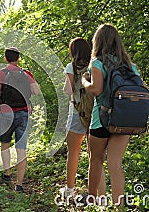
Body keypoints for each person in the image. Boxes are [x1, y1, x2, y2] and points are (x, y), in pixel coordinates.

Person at [82, 24, 142, 206]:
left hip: (101, 119)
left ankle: (94, 200)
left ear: (97, 42)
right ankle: (119, 205)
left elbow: (97, 89)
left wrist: (85, 81)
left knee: (96, 160)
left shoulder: (97, 63)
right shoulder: (131, 67)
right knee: (115, 163)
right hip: (124, 120)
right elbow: (143, 91)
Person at [61, 37, 106, 201]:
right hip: (97, 113)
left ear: (73, 51)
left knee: (73, 152)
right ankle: (101, 195)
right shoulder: (95, 64)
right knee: (95, 156)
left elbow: (68, 90)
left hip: (77, 113)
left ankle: (70, 189)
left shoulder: (71, 66)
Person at [0, 47, 40, 192]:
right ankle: (19, 184)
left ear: (5, 58)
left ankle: (7, 174)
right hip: (23, 114)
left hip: (6, 114)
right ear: (18, 58)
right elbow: (36, 91)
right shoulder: (26, 73)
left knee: (5, 143)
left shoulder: (2, 73)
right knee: (21, 150)